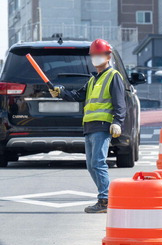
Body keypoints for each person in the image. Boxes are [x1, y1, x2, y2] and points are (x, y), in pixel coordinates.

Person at [49, 39, 125, 213]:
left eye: (100, 54)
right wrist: (60, 92)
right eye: (94, 55)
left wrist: (117, 122)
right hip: (90, 126)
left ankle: (105, 200)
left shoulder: (113, 76)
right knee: (91, 165)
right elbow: (77, 96)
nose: (96, 58)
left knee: (98, 163)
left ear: (108, 56)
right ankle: (104, 198)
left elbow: (120, 103)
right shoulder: (93, 80)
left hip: (102, 125)